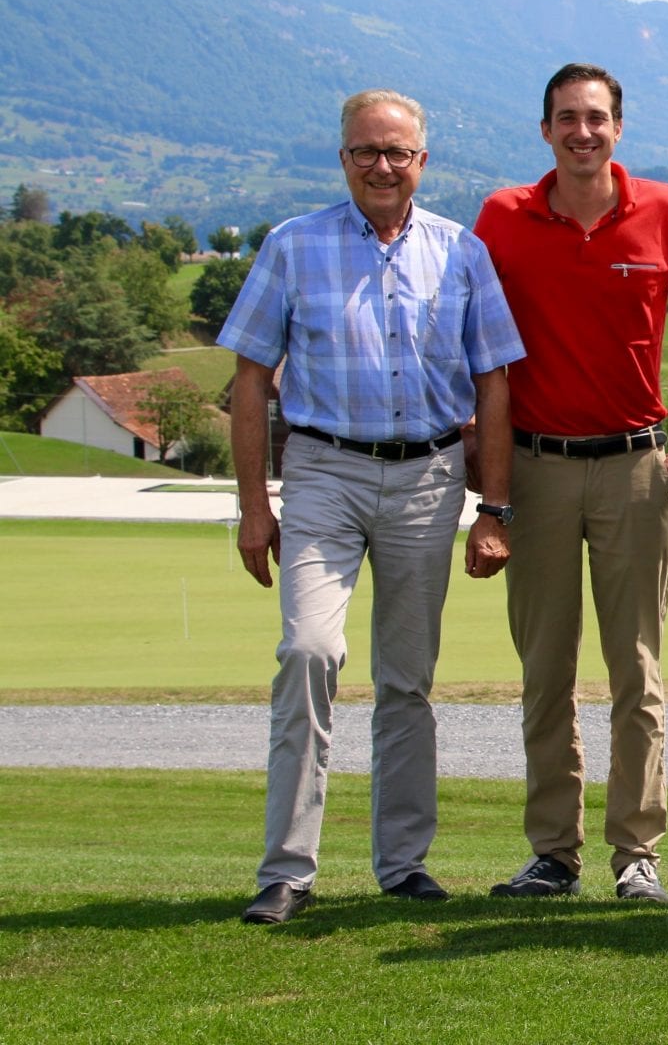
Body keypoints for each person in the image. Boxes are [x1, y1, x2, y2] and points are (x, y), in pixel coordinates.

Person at [222, 88, 524, 924]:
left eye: (398, 153)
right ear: (343, 158)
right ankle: (286, 870)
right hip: (321, 469)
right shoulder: (294, 246)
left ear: (423, 162)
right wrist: (254, 506)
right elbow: (250, 379)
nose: (383, 167)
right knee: (309, 653)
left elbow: (495, 384)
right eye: (366, 152)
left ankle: (402, 863)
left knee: (407, 680)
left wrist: (493, 508)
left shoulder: (461, 253)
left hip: (428, 477)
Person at [473, 63, 668, 904]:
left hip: (637, 467)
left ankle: (637, 852)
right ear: (545, 131)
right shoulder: (502, 217)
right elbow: (469, 339)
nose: (582, 131)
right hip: (532, 468)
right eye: (567, 118)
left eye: (596, 118)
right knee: (545, 669)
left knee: (635, 667)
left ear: (618, 127)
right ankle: (553, 853)